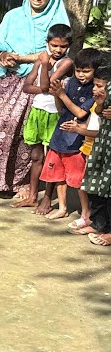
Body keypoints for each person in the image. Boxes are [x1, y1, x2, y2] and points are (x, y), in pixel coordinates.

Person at [0, 0, 70, 198]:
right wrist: (3, 55)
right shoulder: (13, 16)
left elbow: (51, 54)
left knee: (25, 134)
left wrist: (21, 57)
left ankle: (21, 182)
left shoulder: (57, 22)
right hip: (8, 80)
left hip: (37, 84)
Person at [38, 48, 100, 220]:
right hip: (60, 135)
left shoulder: (94, 89)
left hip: (77, 139)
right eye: (78, 70)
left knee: (78, 179)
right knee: (59, 175)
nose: (81, 75)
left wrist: (61, 94)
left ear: (95, 70)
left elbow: (80, 113)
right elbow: (61, 109)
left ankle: (86, 213)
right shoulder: (70, 82)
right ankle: (63, 208)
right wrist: (56, 95)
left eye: (86, 71)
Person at [17, 25, 73, 209]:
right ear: (47, 43)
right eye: (54, 45)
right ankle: (33, 196)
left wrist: (43, 65)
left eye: (62, 46)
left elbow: (43, 84)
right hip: (38, 110)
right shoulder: (41, 60)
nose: (58, 50)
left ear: (68, 46)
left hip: (55, 113)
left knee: (52, 157)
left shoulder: (66, 63)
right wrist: (45, 85)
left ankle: (47, 198)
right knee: (36, 155)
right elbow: (28, 87)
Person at [78, 65, 111, 245]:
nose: (96, 89)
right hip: (101, 147)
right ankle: (99, 224)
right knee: (97, 186)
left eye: (101, 86)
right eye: (95, 85)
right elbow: (98, 113)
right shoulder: (101, 100)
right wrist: (99, 104)